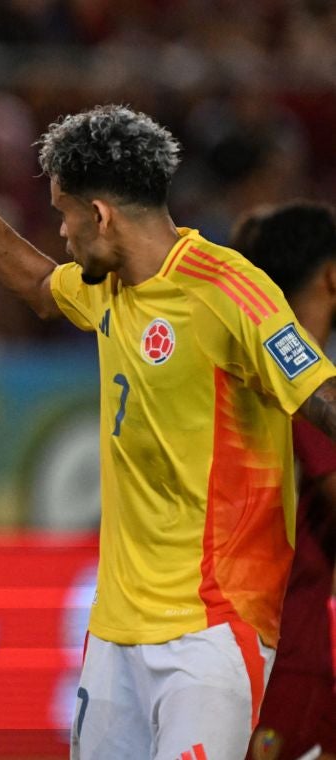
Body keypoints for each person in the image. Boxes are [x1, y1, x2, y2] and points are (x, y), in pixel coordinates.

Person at [0, 74, 336, 759]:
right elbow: (39, 286)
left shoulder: (230, 294)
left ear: (100, 216)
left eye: (62, 215)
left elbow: (320, 399)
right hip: (115, 636)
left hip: (213, 634)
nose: (59, 232)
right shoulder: (109, 289)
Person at [233, 202, 336, 760]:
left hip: (241, 647)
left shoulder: (243, 369)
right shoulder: (309, 385)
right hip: (289, 657)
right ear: (332, 277)